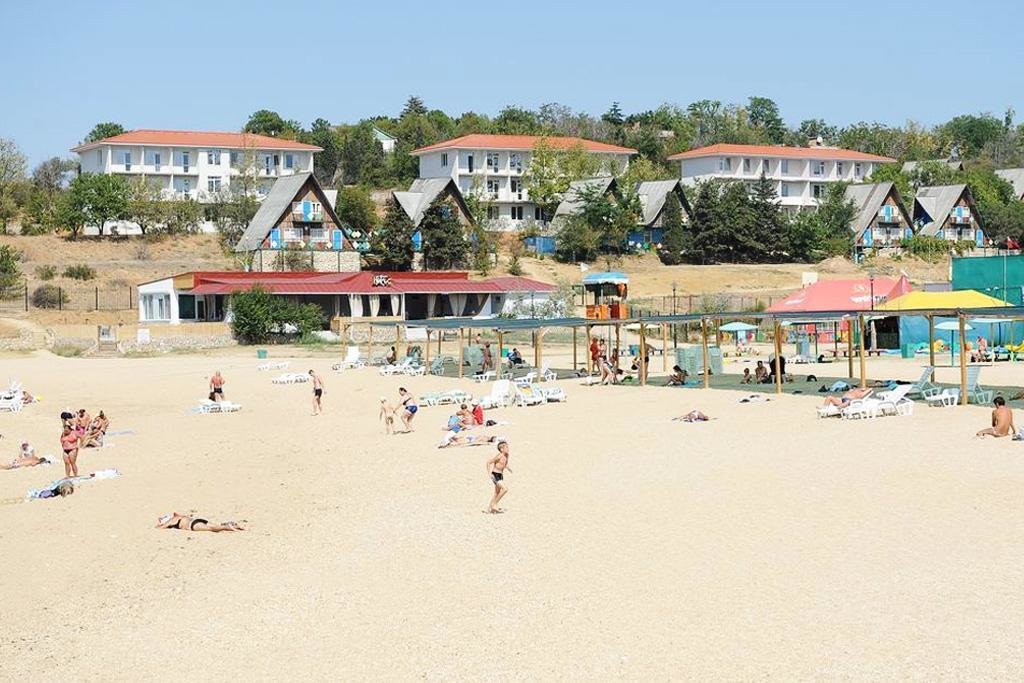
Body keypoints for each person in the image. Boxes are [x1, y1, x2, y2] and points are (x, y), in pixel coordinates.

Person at [485, 439, 511, 513]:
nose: (508, 449)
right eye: (506, 447)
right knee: (505, 489)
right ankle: (494, 504)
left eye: (508, 447)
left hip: (500, 475)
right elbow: (488, 462)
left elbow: (504, 463)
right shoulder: (499, 456)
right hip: (495, 475)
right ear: (501, 449)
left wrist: (508, 468)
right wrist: (489, 473)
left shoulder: (507, 455)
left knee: (496, 493)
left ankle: (489, 509)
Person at [156, 513, 245, 532]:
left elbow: (161, 527)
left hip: (192, 525)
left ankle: (227, 527)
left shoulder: (172, 520)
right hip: (196, 520)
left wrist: (159, 525)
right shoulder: (179, 516)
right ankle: (234, 526)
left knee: (212, 529)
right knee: (215, 526)